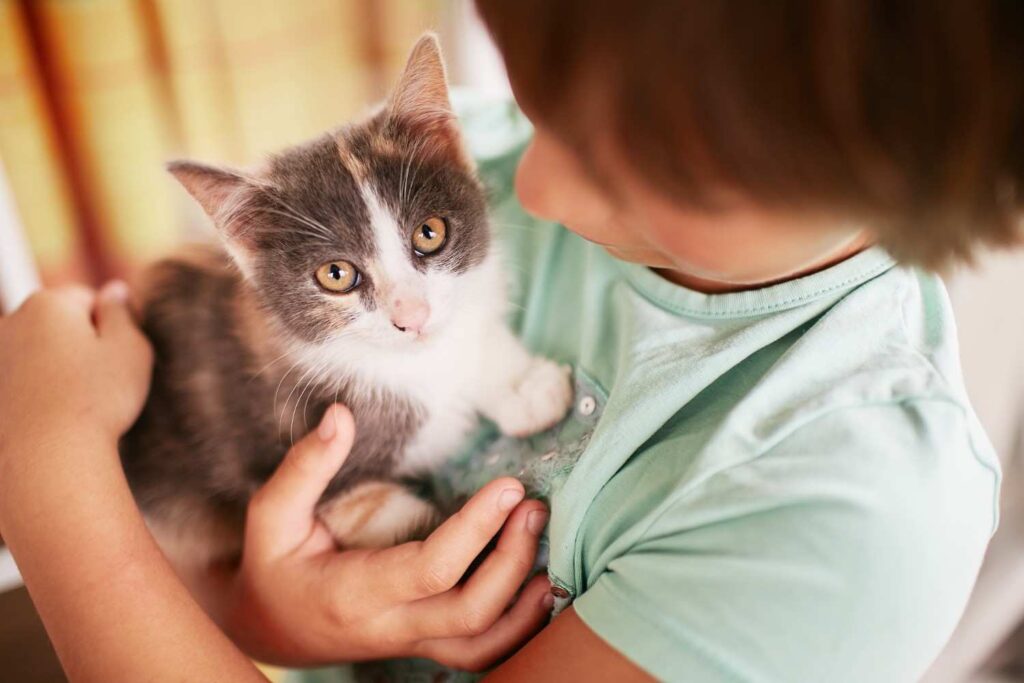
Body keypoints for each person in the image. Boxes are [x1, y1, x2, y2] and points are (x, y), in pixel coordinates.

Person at [1, 2, 1020, 681]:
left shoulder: (847, 507)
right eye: (539, 106)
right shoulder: (470, 150)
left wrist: (45, 470)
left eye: (632, 164)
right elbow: (212, 559)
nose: (528, 189)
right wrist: (269, 612)